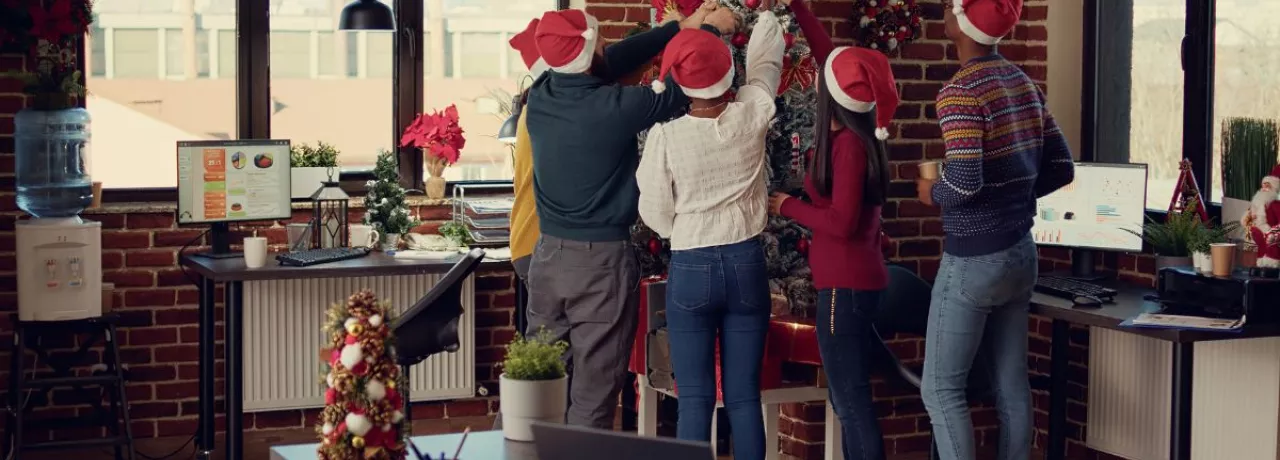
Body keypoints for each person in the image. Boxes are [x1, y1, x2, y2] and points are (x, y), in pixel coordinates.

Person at [525, 5, 737, 429]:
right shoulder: (613, 107)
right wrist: (711, 32)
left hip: (547, 258)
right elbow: (679, 91)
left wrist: (679, 27)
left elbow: (608, 60)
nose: (608, 44)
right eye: (600, 40)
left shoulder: (542, 93)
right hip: (600, 264)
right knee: (593, 392)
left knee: (538, 382)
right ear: (589, 55)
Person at [915, 1, 1074, 459]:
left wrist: (930, 192)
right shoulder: (1023, 83)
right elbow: (1061, 167)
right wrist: (1014, 196)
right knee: (1011, 385)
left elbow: (964, 182)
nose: (945, 11)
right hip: (1021, 253)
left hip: (974, 260)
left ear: (963, 24)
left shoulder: (960, 92)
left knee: (941, 389)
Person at [635, 2, 775, 456]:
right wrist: (767, 15)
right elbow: (766, 65)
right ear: (729, 72)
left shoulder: (666, 137)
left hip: (692, 264)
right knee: (744, 397)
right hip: (746, 261)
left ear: (680, 82)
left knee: (694, 398)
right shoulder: (754, 112)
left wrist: (684, 226)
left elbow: (655, 213)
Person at [766, 0, 896, 457]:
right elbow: (830, 59)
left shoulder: (848, 148)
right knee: (848, 398)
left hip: (845, 287)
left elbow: (841, 222)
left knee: (850, 400)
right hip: (853, 282)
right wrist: (800, 8)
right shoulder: (857, 133)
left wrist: (788, 206)